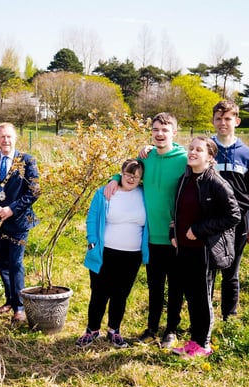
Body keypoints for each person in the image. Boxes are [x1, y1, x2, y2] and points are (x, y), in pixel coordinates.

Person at [104, 112, 187, 349]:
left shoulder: (183, 160)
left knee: (176, 286)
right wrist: (114, 177)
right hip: (150, 237)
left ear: (174, 133)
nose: (160, 134)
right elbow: (130, 171)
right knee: (155, 285)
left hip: (175, 238)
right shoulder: (146, 158)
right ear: (151, 132)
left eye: (165, 130)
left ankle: (171, 330)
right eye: (156, 130)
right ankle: (151, 329)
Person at [170, 136, 241, 357]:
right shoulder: (186, 178)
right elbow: (179, 213)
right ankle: (194, 341)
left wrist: (200, 229)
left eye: (198, 150)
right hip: (184, 249)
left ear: (210, 158)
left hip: (203, 250)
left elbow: (233, 215)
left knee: (202, 297)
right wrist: (174, 233)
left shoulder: (216, 182)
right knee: (192, 296)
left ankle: (204, 345)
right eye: (190, 148)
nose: (192, 152)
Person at [76, 159, 149, 349]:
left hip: (131, 255)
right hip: (105, 252)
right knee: (99, 293)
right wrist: (92, 240)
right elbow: (92, 217)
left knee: (121, 294)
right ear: (121, 173)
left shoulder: (144, 195)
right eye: (127, 174)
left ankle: (114, 330)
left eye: (136, 176)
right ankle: (91, 330)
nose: (131, 179)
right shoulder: (106, 192)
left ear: (141, 178)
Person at [0, 122, 40, 323]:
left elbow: (34, 191)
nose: (6, 140)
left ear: (15, 138)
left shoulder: (27, 161)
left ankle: (20, 307)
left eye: (9, 136)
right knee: (2, 262)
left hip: (19, 221)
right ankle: (10, 299)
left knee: (15, 262)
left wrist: (11, 208)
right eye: (2, 137)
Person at [210, 100, 249, 320]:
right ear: (213, 121)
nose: (223, 123)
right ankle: (206, 313)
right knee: (209, 270)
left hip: (239, 221)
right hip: (210, 219)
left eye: (228, 118)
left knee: (231, 271)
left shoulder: (247, 154)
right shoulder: (206, 148)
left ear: (237, 121)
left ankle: (229, 315)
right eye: (219, 118)